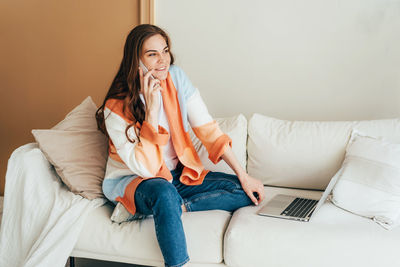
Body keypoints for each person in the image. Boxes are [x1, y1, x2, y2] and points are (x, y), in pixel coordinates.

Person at [95, 24, 265, 267]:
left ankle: (172, 207)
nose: (162, 60)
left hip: (176, 175)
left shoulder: (176, 78)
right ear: (136, 61)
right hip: (136, 181)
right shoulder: (115, 107)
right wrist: (152, 113)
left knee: (244, 191)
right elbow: (146, 169)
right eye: (152, 54)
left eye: (164, 51)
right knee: (163, 192)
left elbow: (209, 131)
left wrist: (244, 175)